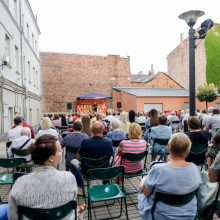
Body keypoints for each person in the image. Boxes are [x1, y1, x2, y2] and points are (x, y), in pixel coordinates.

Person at [8, 135, 78, 220]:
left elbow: (12, 217)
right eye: (60, 151)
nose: (62, 152)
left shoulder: (20, 182)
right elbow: (72, 211)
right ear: (51, 158)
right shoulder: (69, 178)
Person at [138, 133, 202, 220]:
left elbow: (146, 192)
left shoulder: (157, 169)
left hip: (161, 216)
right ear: (188, 151)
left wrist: (143, 181)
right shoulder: (194, 168)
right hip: (189, 215)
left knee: (143, 190)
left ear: (169, 148)